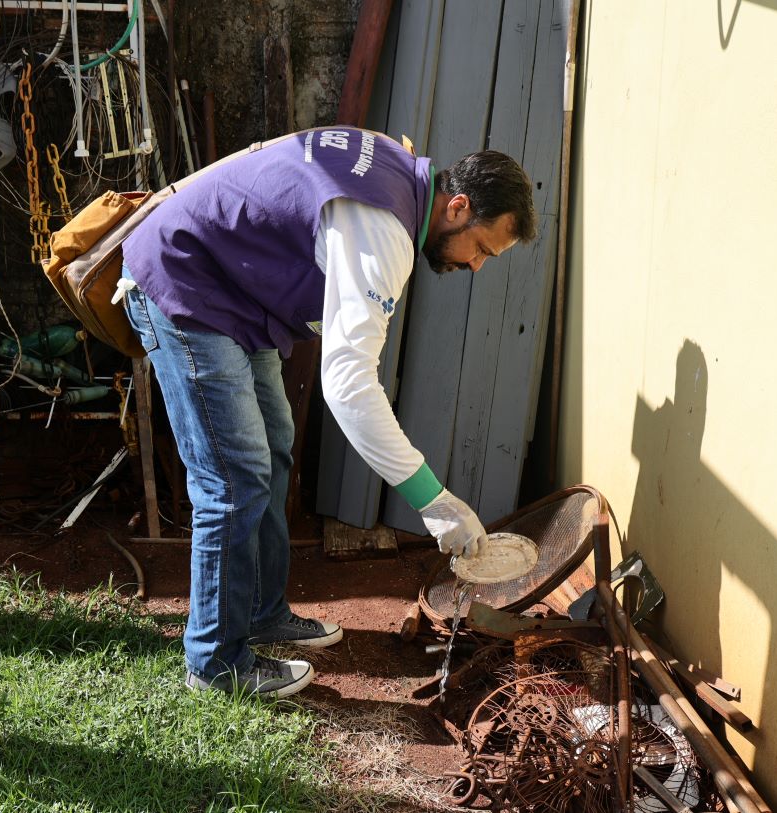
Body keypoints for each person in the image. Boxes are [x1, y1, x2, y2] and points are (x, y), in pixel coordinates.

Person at [117, 126, 537, 698]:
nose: (478, 266)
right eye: (482, 249)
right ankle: (213, 662)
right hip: (188, 278)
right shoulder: (384, 231)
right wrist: (432, 501)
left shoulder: (403, 171)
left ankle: (262, 613)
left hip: (237, 291)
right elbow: (347, 384)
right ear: (457, 206)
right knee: (233, 478)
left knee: (275, 447)